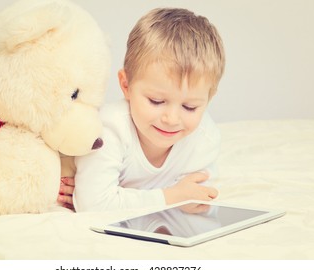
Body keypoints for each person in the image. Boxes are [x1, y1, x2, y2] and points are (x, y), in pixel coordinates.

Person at [58, 7, 225, 211]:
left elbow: (197, 197)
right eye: (156, 101)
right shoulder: (109, 128)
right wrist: (172, 197)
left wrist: (120, 195)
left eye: (190, 107)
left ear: (208, 99)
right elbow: (94, 204)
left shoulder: (204, 138)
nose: (172, 119)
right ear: (126, 85)